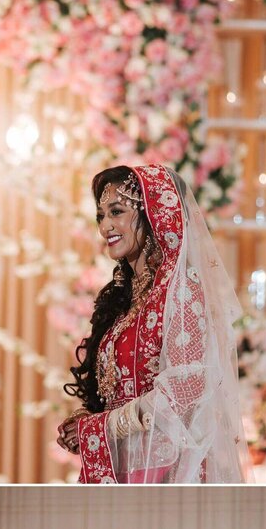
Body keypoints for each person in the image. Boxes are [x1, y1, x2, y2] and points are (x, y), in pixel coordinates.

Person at [57, 164, 250, 484]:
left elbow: (183, 392)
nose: (105, 226)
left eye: (116, 211)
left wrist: (101, 427)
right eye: (100, 216)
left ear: (153, 213)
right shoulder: (122, 303)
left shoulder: (182, 292)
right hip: (122, 470)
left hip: (168, 474)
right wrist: (86, 421)